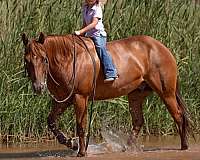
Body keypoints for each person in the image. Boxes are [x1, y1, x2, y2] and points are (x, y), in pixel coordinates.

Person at [75, 0, 118, 82]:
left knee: (101, 48)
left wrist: (80, 31)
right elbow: (85, 23)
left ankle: (111, 72)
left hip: (98, 35)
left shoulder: (97, 9)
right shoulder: (85, 8)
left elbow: (94, 23)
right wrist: (81, 34)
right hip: (89, 35)